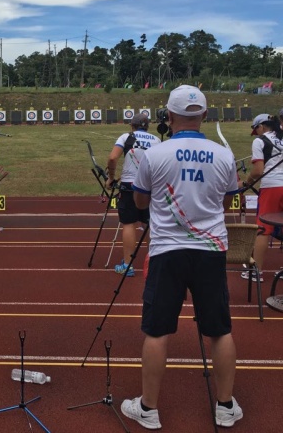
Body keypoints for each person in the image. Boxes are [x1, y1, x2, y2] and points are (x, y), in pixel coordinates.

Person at [123, 85, 242, 430]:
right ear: (204, 116)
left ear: (169, 117)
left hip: (167, 252)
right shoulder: (222, 155)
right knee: (219, 330)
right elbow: (226, 202)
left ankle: (148, 409)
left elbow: (141, 202)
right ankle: (224, 406)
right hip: (210, 251)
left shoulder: (155, 154)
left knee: (157, 331)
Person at [105, 113, 160, 276]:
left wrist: (111, 178)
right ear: (147, 126)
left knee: (129, 223)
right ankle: (153, 264)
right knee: (149, 223)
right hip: (149, 186)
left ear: (132, 125)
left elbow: (113, 158)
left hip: (129, 185)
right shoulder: (156, 140)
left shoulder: (125, 137)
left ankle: (128, 266)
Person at [243, 113, 283, 281]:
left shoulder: (260, 141)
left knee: (263, 229)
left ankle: (256, 271)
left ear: (261, 126)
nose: (256, 134)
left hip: (272, 187)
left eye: (256, 130)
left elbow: (258, 170)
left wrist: (247, 182)